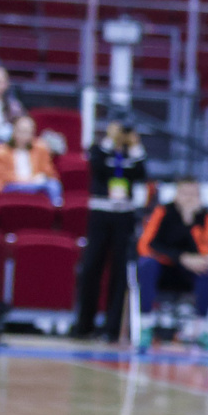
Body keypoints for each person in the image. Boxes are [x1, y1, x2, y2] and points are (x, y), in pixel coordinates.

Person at [71, 116, 149, 340]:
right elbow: (97, 167)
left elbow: (141, 173)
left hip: (124, 215)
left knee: (120, 270)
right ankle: (84, 324)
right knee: (91, 267)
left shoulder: (132, 153)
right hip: (100, 213)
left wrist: (135, 145)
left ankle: (112, 328)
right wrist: (110, 140)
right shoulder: (100, 149)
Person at [135, 180, 208, 354]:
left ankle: (203, 331)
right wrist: (181, 258)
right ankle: (146, 326)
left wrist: (190, 222)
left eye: (193, 194)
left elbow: (205, 250)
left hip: (189, 273)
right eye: (185, 193)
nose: (189, 198)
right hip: (163, 269)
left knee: (206, 271)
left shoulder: (205, 217)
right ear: (176, 195)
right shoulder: (163, 211)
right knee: (147, 265)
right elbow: (146, 245)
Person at [0, 114, 62, 203]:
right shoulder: (0, 152)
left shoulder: (41, 148)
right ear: (14, 131)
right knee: (22, 186)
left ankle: (56, 207)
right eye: (22, 131)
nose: (24, 135)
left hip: (36, 183)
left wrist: (42, 177)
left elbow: (48, 171)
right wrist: (28, 180)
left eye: (28, 132)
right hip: (12, 185)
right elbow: (1, 175)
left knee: (53, 184)